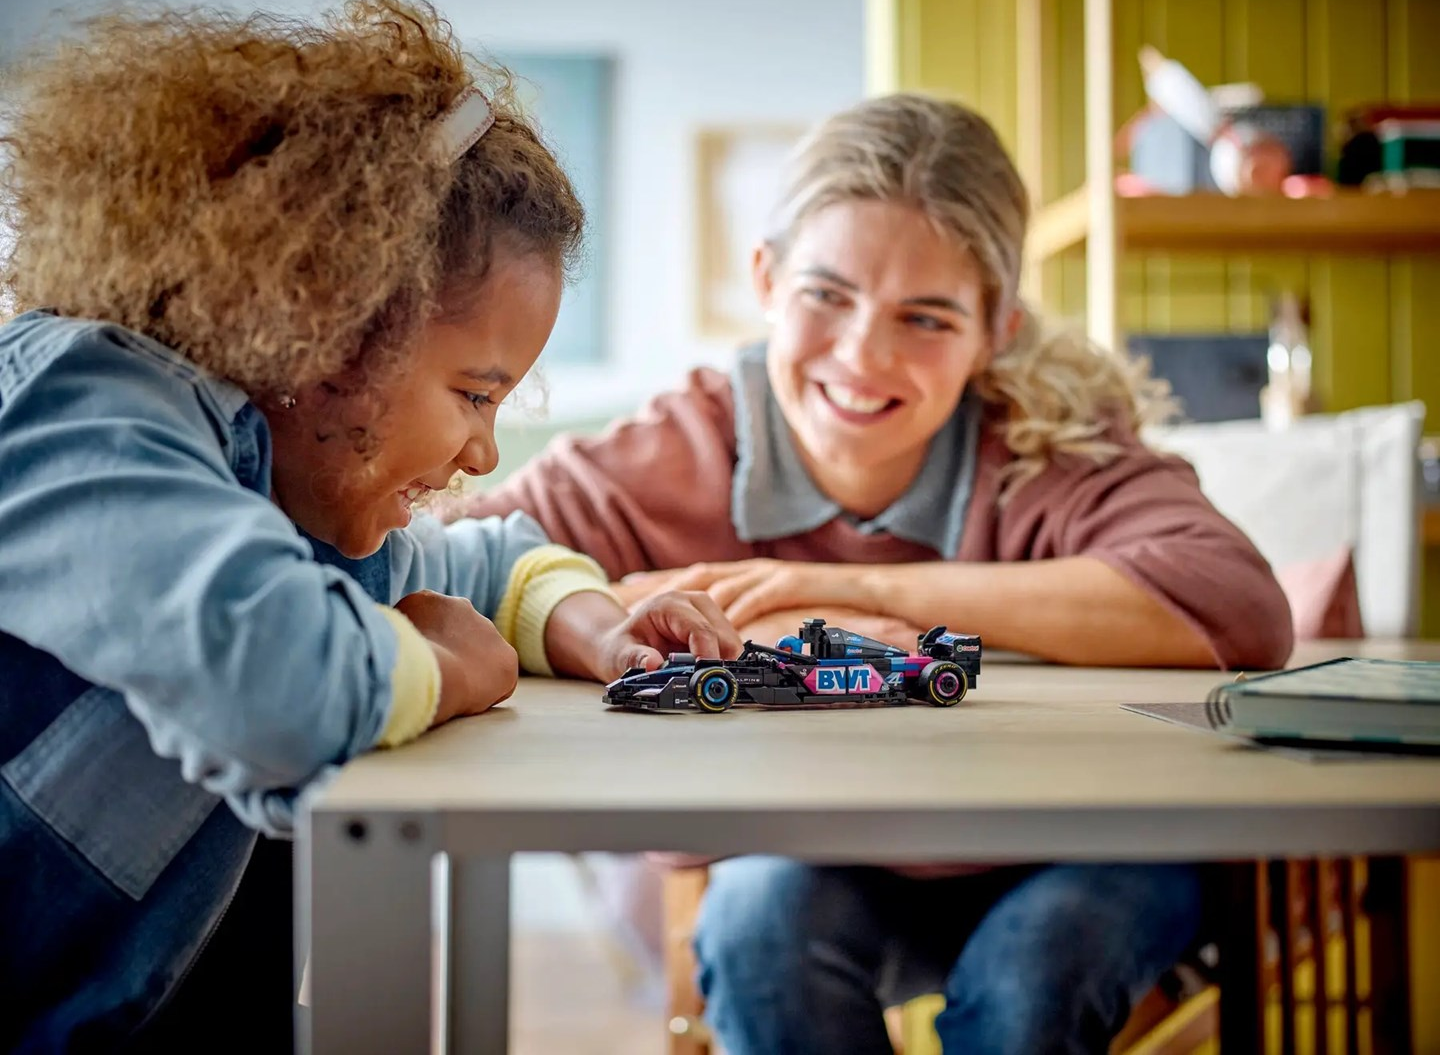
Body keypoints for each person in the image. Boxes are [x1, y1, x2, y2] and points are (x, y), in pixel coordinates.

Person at [454, 94, 1295, 1053]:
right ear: (766, 280)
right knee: (756, 928)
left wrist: (864, 590)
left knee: (1034, 973)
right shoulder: (672, 450)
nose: (864, 354)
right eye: (827, 295)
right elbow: (462, 569)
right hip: (822, 860)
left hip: (1077, 849)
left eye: (927, 317)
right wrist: (697, 614)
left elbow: (1235, 605)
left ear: (996, 332)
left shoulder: (1042, 446)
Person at [0, 0, 737, 1053]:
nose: (484, 454)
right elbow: (279, 682)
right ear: (329, 326)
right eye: (477, 395)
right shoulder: (71, 409)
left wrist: (591, 620)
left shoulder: (274, 490)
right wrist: (451, 666)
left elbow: (480, 562)